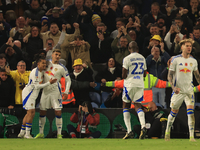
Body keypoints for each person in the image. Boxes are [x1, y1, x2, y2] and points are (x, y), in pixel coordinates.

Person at [165, 38, 200, 142]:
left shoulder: (193, 61)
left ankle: (192, 136)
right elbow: (170, 76)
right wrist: (173, 87)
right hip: (178, 91)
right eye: (187, 46)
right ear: (182, 47)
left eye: (190, 46)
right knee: (174, 112)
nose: (189, 48)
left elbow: (197, 75)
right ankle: (167, 131)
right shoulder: (175, 60)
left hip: (189, 90)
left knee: (190, 112)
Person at [35, 49, 71, 139]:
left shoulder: (62, 67)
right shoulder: (46, 64)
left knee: (58, 112)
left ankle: (59, 134)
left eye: (59, 55)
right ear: (52, 55)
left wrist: (66, 92)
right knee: (42, 111)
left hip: (56, 92)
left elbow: (68, 80)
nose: (58, 56)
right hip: (45, 91)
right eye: (56, 54)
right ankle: (41, 133)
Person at [18, 56, 57, 139]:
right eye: (42, 63)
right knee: (31, 112)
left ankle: (21, 133)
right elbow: (37, 86)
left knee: (28, 113)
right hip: (29, 93)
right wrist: (49, 83)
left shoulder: (41, 71)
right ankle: (27, 134)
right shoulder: (35, 72)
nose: (44, 65)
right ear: (38, 63)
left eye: (45, 63)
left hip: (33, 94)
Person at [122, 41, 147, 139]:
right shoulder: (142, 58)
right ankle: (144, 126)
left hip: (130, 84)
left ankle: (129, 131)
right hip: (140, 84)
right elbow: (145, 74)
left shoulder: (127, 58)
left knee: (125, 105)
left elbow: (123, 75)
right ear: (138, 49)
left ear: (129, 48)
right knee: (138, 105)